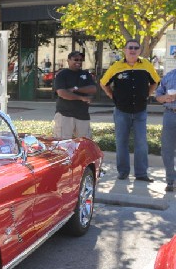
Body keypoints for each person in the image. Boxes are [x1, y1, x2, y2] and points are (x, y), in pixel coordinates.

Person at [100, 39, 160, 182]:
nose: (132, 50)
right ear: (124, 50)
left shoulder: (146, 65)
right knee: (121, 142)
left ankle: (141, 174)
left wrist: (147, 94)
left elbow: (155, 81)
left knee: (141, 143)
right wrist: (111, 95)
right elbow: (103, 83)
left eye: (135, 48)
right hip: (121, 111)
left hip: (140, 111)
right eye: (130, 48)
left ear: (139, 51)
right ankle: (123, 172)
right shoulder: (116, 66)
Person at [53, 51, 97, 139]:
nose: (79, 62)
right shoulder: (62, 74)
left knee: (85, 144)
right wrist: (82, 97)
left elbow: (93, 89)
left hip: (82, 114)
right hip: (65, 114)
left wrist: (75, 89)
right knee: (63, 144)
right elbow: (62, 93)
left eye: (81, 60)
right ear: (68, 61)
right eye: (76, 59)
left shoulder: (85, 74)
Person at [155, 68, 176, 191]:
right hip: (170, 114)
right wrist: (165, 98)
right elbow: (158, 96)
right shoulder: (169, 76)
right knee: (167, 150)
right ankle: (171, 180)